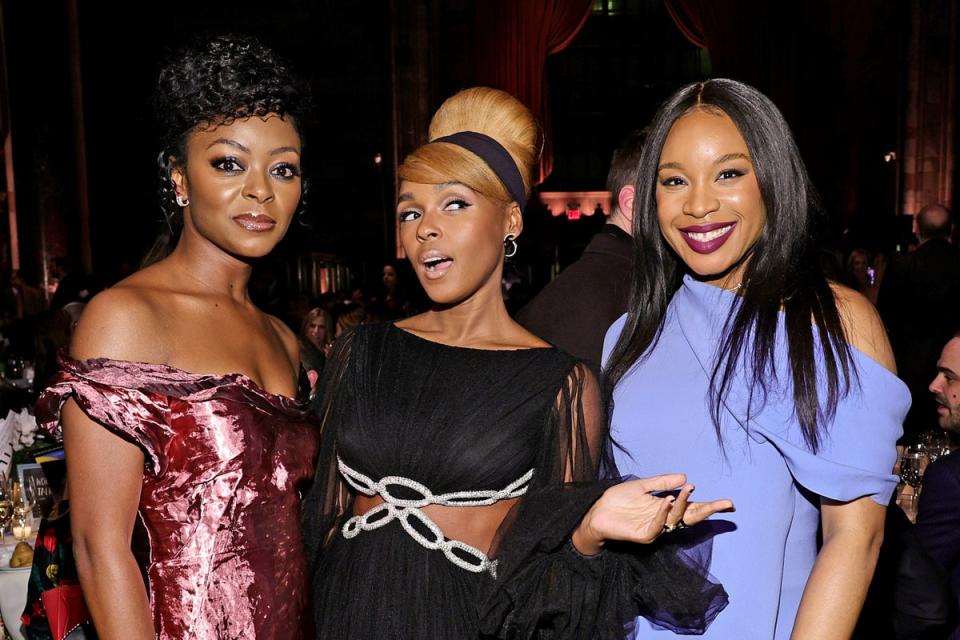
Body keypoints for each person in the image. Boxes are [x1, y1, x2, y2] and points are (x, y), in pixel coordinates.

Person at [303, 87, 732, 640]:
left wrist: (590, 531)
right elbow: (316, 527)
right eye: (411, 211)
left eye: (454, 203)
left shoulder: (561, 385)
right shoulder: (360, 354)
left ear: (510, 220)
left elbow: (544, 585)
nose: (426, 227)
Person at [34, 35, 318, 639]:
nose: (261, 189)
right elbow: (97, 543)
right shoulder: (125, 316)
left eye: (283, 168)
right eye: (228, 162)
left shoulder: (283, 337)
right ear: (179, 179)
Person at [602, 79, 908, 639]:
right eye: (674, 181)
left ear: (772, 179)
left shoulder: (831, 323)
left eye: (728, 173)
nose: (699, 204)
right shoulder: (627, 338)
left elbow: (856, 538)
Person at [515, 130, 643, 371]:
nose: (691, 207)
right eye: (673, 186)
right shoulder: (628, 291)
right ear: (631, 203)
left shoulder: (583, 286)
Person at [881, 204, 960, 439]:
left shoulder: (902, 265)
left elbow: (886, 323)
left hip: (908, 373)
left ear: (917, 229)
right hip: (953, 374)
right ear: (952, 230)